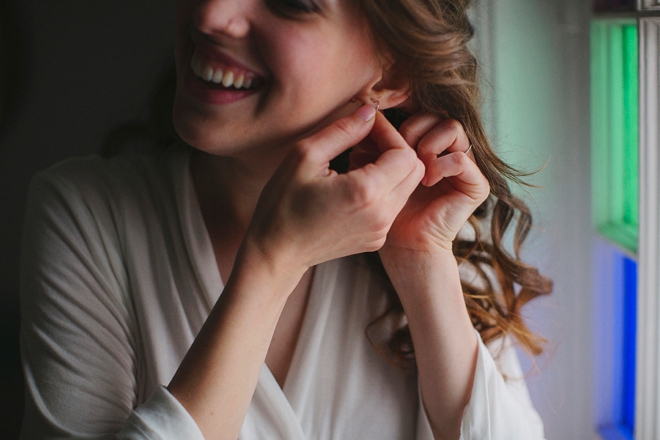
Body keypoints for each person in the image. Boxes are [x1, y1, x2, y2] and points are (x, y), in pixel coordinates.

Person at [19, 0, 552, 439]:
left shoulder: (434, 222)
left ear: (391, 75)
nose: (211, 15)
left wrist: (422, 264)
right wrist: (272, 262)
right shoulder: (86, 214)